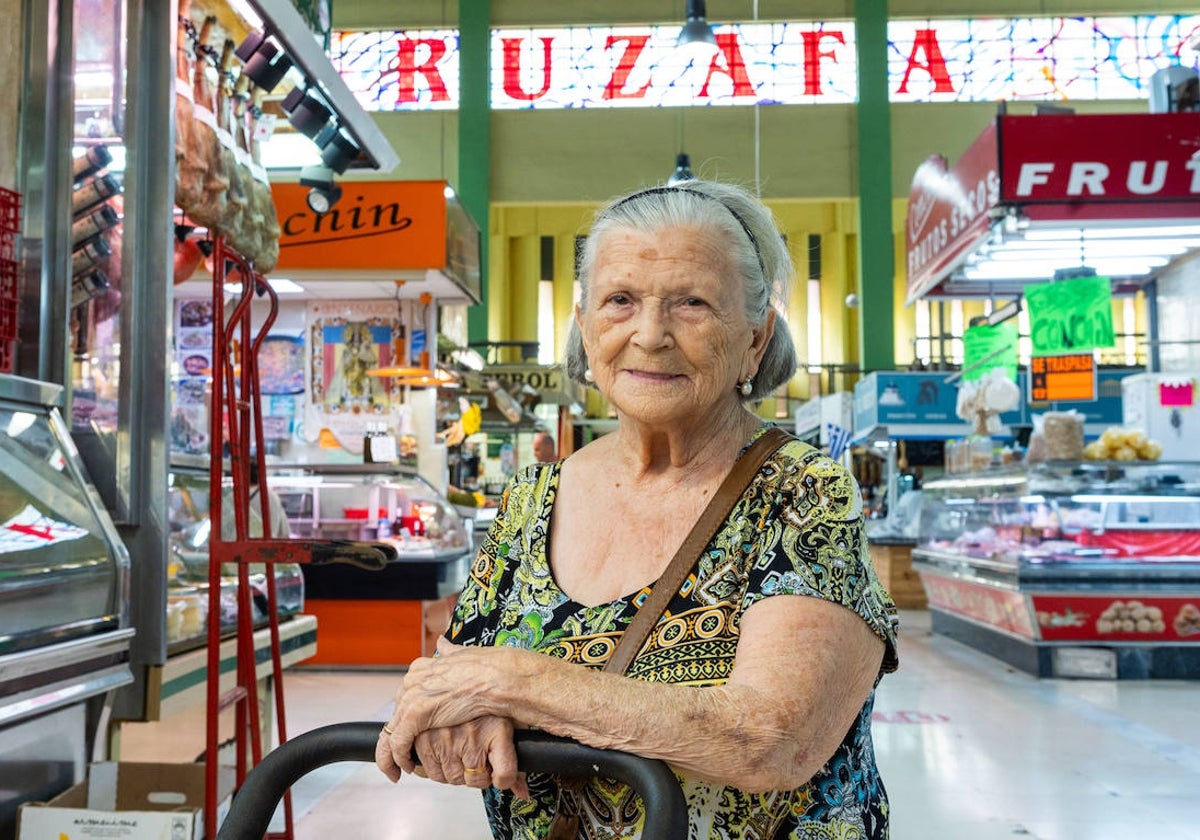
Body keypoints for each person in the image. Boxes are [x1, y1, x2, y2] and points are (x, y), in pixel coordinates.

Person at [376, 180, 900, 838]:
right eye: (620, 300)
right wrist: (466, 704)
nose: (650, 335)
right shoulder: (532, 497)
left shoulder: (800, 491)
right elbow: (450, 687)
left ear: (755, 339)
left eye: (693, 304)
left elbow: (771, 739)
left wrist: (512, 684)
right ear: (584, 325)